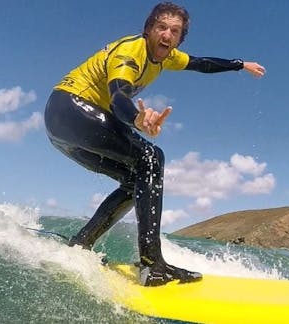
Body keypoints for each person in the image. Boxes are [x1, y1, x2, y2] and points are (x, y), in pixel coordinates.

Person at [44, 2, 266, 287]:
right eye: (161, 27)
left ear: (178, 39)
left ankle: (80, 245)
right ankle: (152, 265)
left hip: (63, 130)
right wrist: (136, 119)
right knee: (151, 157)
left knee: (134, 180)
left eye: (174, 31)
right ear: (148, 30)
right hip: (70, 108)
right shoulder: (130, 52)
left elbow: (200, 64)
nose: (167, 34)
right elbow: (119, 95)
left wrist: (239, 65)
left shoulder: (168, 58)